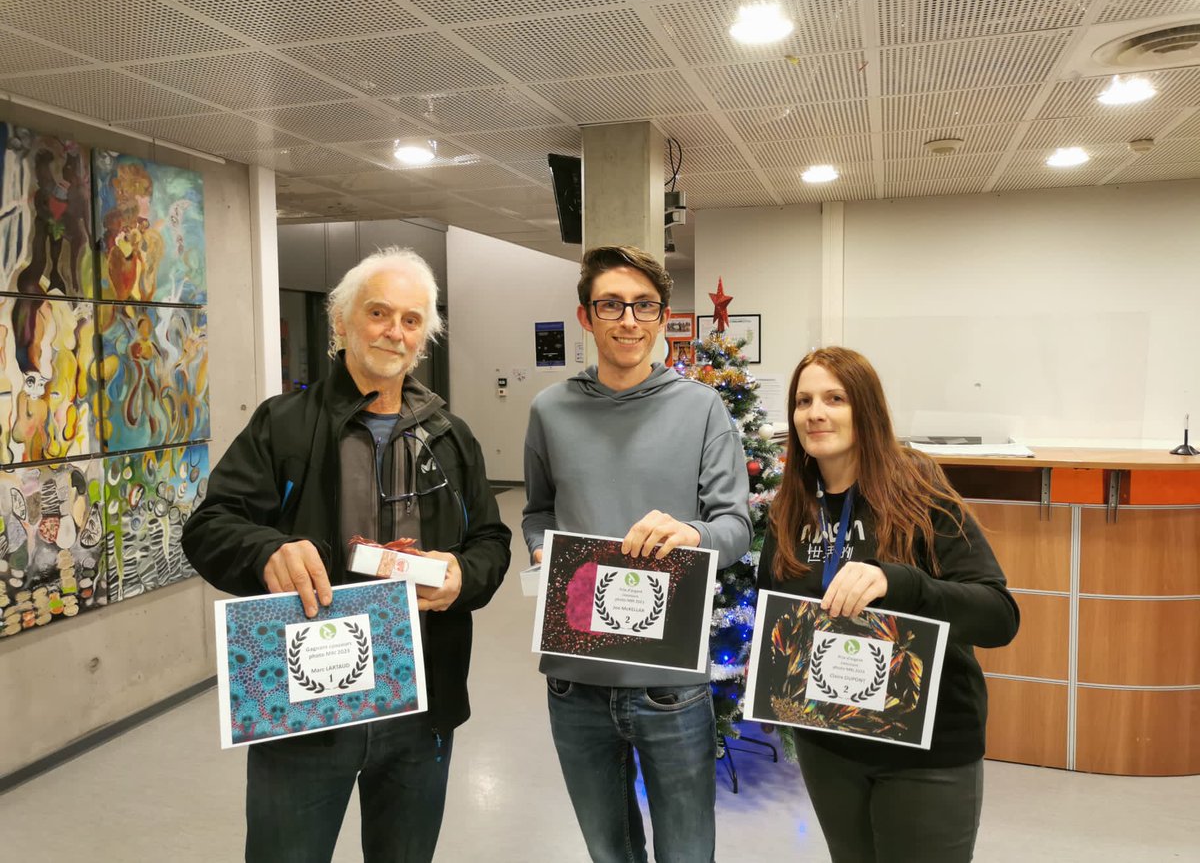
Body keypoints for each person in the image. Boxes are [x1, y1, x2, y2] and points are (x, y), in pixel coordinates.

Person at [182, 246, 511, 863]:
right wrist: (266, 550)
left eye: (412, 320)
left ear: (426, 336)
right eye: (378, 313)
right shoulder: (281, 425)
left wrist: (464, 576)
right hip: (306, 705)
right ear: (341, 322)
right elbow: (208, 527)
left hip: (421, 704)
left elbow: (491, 541)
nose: (395, 331)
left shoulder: (450, 436)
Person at [522, 245, 752, 863]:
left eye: (643, 306)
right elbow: (537, 512)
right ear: (585, 317)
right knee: (608, 849)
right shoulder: (549, 410)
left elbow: (737, 525)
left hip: (670, 680)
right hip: (575, 677)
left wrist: (693, 535)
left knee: (686, 851)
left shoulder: (703, 409)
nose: (628, 320)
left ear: (661, 316)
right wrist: (546, 552)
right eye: (612, 305)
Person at [757, 346, 1020, 863]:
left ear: (867, 409)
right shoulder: (792, 502)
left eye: (835, 398)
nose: (816, 413)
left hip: (926, 749)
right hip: (829, 743)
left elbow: (998, 615)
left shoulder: (917, 486)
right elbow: (780, 611)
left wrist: (899, 583)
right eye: (803, 400)